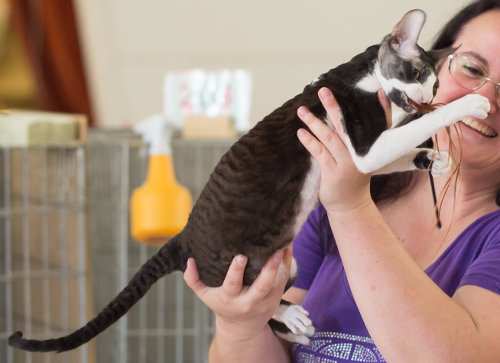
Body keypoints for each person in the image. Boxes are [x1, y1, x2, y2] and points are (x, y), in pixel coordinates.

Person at [184, 1, 500, 361]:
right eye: (472, 69)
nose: (485, 98)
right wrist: (239, 324)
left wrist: (351, 206)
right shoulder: (326, 210)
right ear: (433, 67)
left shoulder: (346, 199)